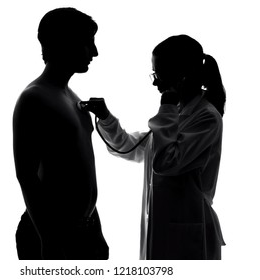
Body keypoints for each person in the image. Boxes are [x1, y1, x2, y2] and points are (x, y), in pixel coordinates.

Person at [85, 34, 226, 260]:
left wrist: (167, 109)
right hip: (165, 230)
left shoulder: (206, 118)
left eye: (159, 74)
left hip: (188, 238)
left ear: (181, 75)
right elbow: (132, 148)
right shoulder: (179, 114)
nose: (155, 82)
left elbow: (165, 162)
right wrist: (106, 118)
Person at [12, 7, 108, 260]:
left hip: (83, 233)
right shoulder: (34, 98)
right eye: (89, 43)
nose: (95, 53)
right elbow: (26, 175)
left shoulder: (74, 99)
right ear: (68, 42)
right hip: (51, 234)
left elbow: (81, 172)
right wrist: (48, 239)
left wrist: (95, 227)